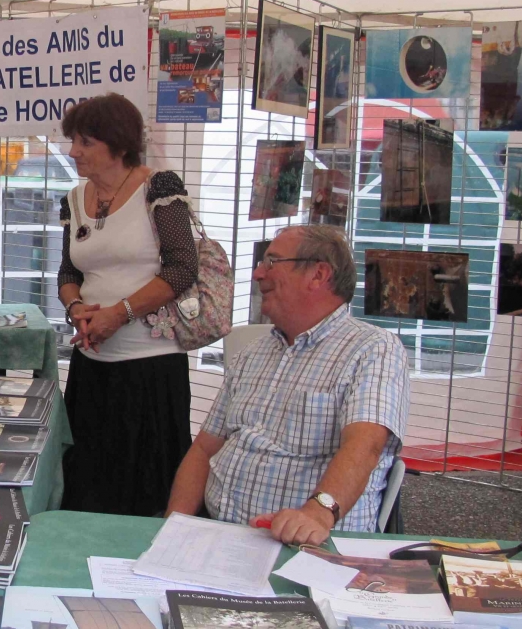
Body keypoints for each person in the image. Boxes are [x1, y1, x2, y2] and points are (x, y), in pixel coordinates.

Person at [166, 225, 411, 546]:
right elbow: (203, 449)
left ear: (318, 274)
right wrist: (174, 527)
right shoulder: (252, 353)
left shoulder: (373, 348)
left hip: (310, 542)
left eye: (271, 262)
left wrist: (318, 513)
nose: (256, 273)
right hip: (219, 534)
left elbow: (365, 446)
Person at [56, 93, 199, 516]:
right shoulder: (74, 199)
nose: (73, 151)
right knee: (90, 492)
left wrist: (119, 314)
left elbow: (182, 268)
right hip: (92, 368)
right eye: (73, 141)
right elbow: (68, 273)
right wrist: (76, 308)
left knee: (147, 495)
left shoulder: (158, 187)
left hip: (150, 368)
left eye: (85, 142)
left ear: (118, 146)